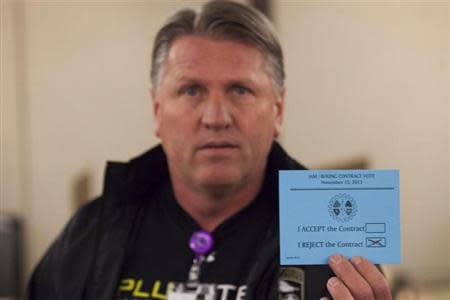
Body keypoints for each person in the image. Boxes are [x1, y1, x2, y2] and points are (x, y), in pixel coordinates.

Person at [28, 1, 392, 299]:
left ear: (278, 111)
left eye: (240, 90)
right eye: (191, 91)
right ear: (157, 110)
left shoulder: (337, 242)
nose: (216, 118)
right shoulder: (91, 232)